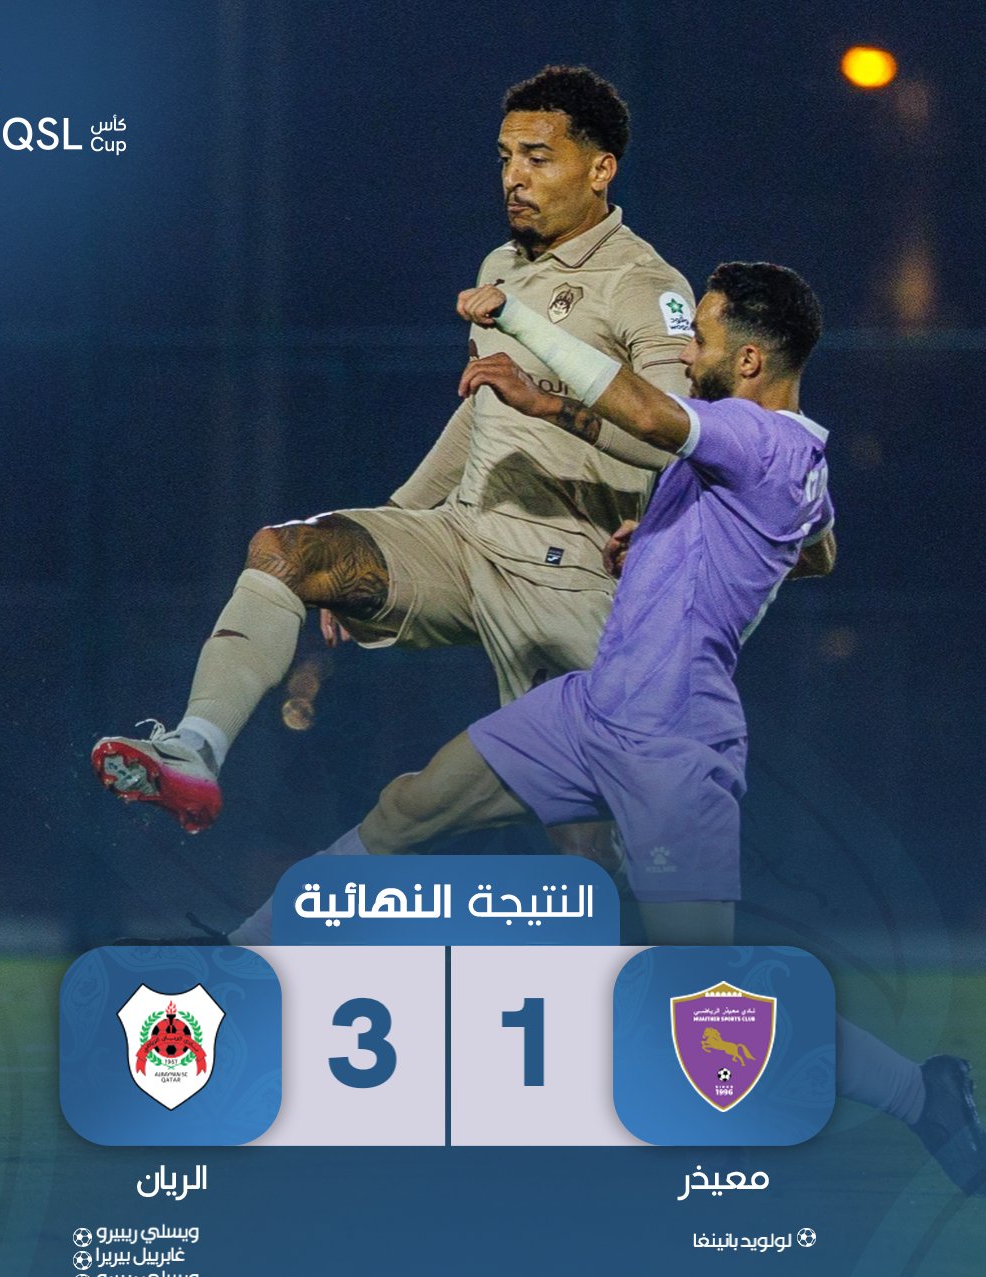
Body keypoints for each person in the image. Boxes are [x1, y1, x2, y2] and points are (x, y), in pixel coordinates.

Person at [227, 261, 986, 1197]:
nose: (689, 354)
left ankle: (921, 1093)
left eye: (702, 337)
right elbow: (816, 547)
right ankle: (240, 958)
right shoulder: (792, 458)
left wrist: (519, 322)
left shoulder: (754, 434)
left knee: (705, 997)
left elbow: (648, 414)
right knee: (412, 807)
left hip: (673, 739)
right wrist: (679, 542)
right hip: (593, 707)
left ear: (751, 361)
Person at [91, 65, 700, 843]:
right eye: (505, 157)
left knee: (589, 838)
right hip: (465, 542)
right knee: (292, 551)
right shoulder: (501, 268)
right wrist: (386, 533)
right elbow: (481, 414)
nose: (513, 177)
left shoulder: (646, 286)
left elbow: (674, 436)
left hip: (569, 579)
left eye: (538, 157)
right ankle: (195, 751)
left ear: (600, 168)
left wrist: (551, 404)